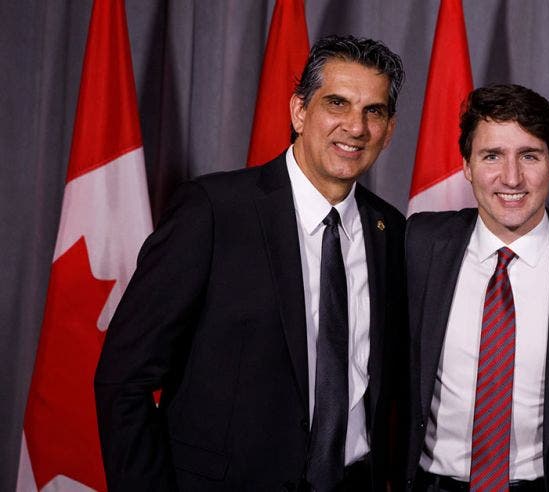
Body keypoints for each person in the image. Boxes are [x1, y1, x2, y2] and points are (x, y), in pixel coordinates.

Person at [94, 35, 406, 491]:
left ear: (389, 129)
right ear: (300, 111)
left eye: (372, 111)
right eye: (336, 103)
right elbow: (124, 380)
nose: (355, 127)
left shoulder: (390, 230)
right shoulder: (213, 211)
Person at [404, 83, 549, 491]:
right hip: (430, 483)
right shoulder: (418, 245)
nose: (511, 177)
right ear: (467, 166)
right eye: (492, 156)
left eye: (529, 156)